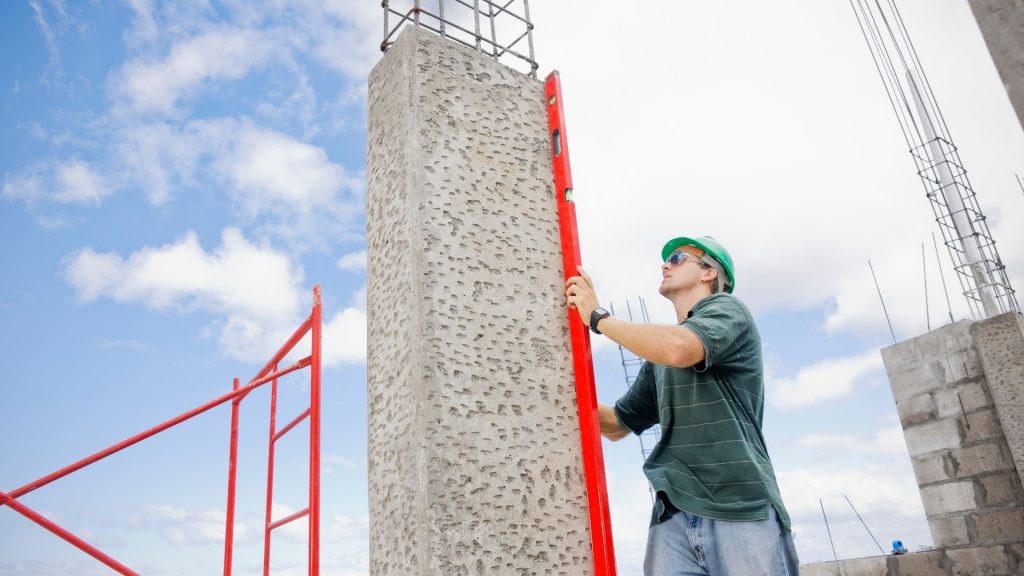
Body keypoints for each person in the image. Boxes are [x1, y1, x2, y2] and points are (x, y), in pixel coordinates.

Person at [564, 235, 799, 576]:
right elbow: (617, 424)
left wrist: (598, 317)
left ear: (709, 273)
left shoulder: (727, 311)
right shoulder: (659, 358)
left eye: (676, 258)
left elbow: (680, 348)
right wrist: (551, 394)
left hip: (738, 506)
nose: (664, 265)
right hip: (673, 515)